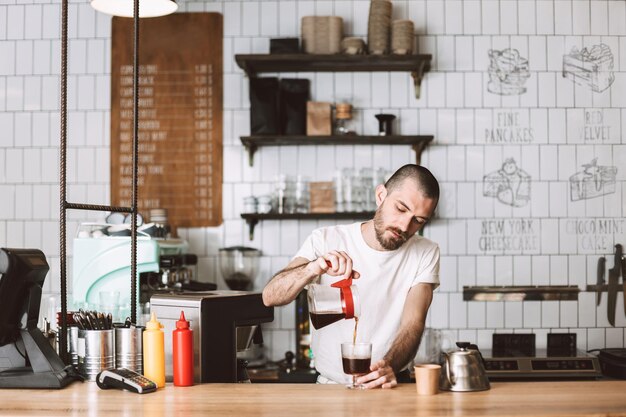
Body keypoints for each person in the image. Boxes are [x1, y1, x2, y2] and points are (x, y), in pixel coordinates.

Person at [262, 164, 440, 389]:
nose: (405, 226)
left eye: (419, 220)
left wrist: (389, 366)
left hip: (389, 384)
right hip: (330, 389)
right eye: (401, 208)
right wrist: (313, 268)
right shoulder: (325, 239)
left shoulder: (425, 252)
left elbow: (413, 323)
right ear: (380, 195)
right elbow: (270, 297)